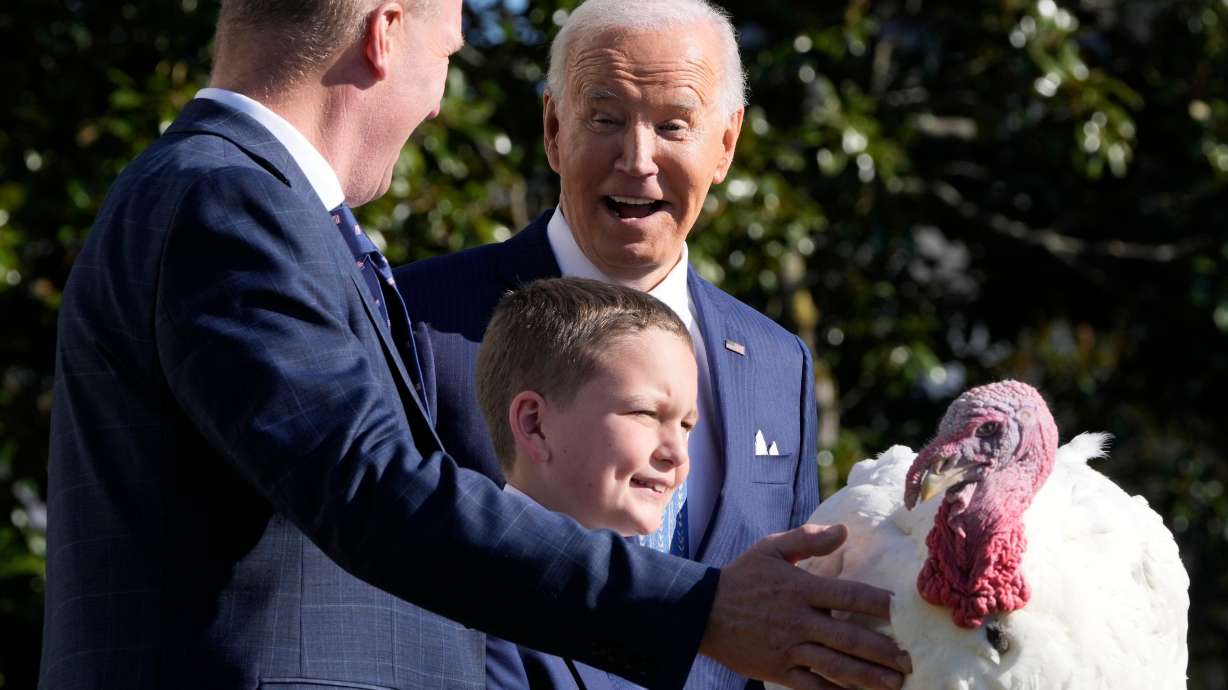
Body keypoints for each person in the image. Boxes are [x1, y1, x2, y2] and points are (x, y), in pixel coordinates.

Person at [40, 0, 911, 689]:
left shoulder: (227, 195)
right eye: (449, 53)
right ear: (386, 34)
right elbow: (373, 488)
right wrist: (701, 607)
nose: (437, 96)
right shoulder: (227, 201)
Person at [394, 1, 878, 687]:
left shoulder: (776, 364)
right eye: (606, 119)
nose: (637, 159)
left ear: (726, 144)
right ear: (554, 129)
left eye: (674, 125)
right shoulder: (417, 318)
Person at [477, 277, 698, 689]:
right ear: (535, 424)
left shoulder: (655, 608)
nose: (678, 454)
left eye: (686, 425)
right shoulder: (479, 615)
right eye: (646, 413)